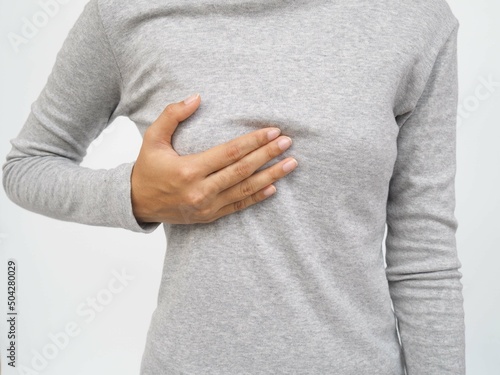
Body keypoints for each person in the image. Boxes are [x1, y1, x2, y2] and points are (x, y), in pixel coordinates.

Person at [2, 0, 466, 374]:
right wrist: (135, 196)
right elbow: (26, 166)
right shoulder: (125, 11)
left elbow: (424, 255)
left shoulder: (417, 17)